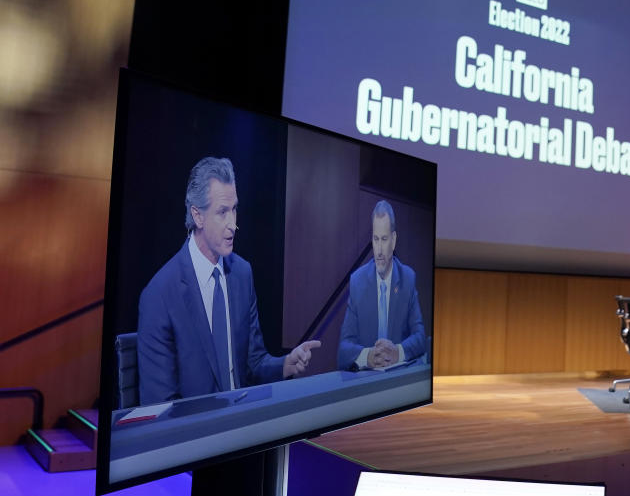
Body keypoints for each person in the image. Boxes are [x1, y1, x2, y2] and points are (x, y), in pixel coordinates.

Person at [137, 157, 321, 406]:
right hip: (194, 438)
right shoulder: (159, 295)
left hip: (244, 427)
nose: (233, 224)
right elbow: (160, 406)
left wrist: (284, 365)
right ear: (197, 216)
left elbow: (254, 363)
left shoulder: (242, 274)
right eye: (222, 212)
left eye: (234, 209)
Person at [338, 200, 426, 370]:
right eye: (375, 239)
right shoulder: (357, 281)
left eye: (384, 239)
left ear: (393, 240)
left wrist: (397, 352)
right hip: (367, 383)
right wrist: (367, 356)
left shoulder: (407, 278)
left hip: (398, 381)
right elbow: (343, 349)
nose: (378, 250)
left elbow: (420, 337)